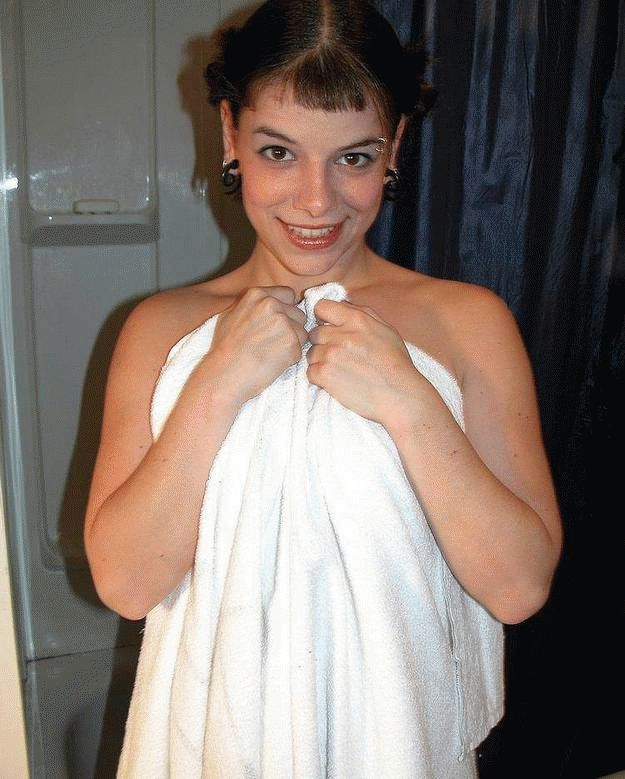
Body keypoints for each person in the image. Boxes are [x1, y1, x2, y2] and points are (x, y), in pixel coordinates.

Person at [84, 0, 563, 776]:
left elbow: (517, 587)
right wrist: (217, 384)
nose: (316, 201)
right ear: (229, 133)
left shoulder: (467, 323)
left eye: (353, 158)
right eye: (279, 151)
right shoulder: (159, 330)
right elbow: (127, 583)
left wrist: (408, 402)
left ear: (394, 145)